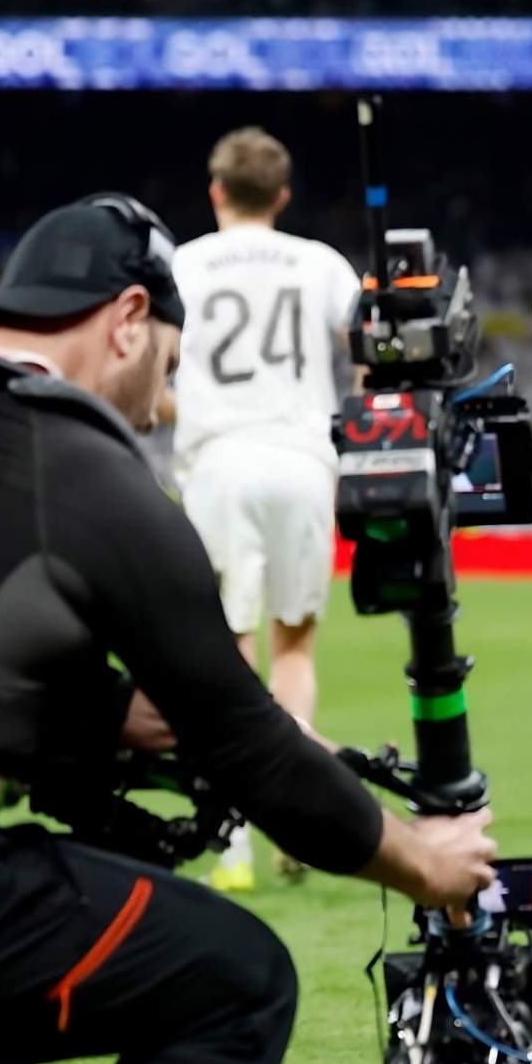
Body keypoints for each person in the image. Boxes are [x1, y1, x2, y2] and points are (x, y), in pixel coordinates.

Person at [0, 195, 489, 1064]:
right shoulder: (79, 466)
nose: (152, 411)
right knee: (241, 980)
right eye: (168, 367)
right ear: (129, 321)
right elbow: (248, 747)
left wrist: (130, 719)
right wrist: (423, 861)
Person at [170, 127, 363, 893]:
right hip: (302, 459)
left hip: (218, 460)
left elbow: (153, 367)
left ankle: (234, 846)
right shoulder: (320, 263)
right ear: (282, 196)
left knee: (226, 654)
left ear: (215, 190)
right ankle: (302, 818)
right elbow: (371, 345)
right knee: (295, 653)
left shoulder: (180, 264)